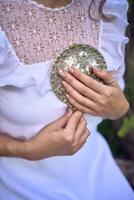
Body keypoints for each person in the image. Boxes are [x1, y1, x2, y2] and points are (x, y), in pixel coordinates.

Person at [0, 0, 133, 199]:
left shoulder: (107, 8)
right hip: (19, 187)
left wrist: (120, 109)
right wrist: (24, 150)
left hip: (99, 178)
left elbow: (114, 92)